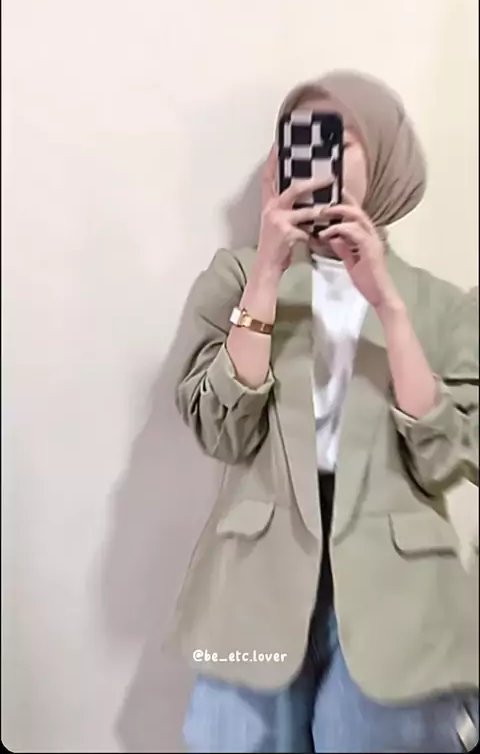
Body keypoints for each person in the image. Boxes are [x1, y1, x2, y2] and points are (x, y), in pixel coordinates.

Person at [169, 71, 479, 753]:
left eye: (338, 136)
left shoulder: (445, 305)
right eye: (299, 137)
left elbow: (446, 459)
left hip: (402, 588)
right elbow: (219, 430)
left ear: (387, 156)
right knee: (234, 738)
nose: (314, 155)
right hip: (259, 574)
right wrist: (267, 272)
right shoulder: (236, 276)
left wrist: (388, 304)